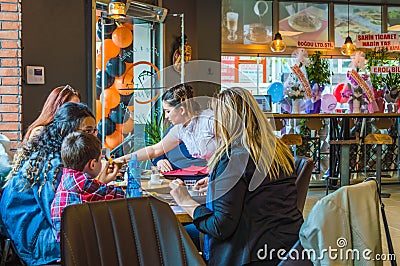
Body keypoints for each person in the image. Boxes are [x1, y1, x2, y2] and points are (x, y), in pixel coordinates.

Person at [169, 87, 303, 265]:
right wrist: (216, 181)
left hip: (247, 254)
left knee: (169, 237)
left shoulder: (233, 158)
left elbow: (219, 227)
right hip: (288, 249)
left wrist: (184, 199)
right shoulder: (278, 151)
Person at [0, 102, 101, 265]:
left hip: (28, 232)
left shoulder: (53, 155)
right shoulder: (52, 166)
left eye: (93, 130)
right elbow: (63, 218)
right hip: (34, 241)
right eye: (87, 131)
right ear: (66, 132)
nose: (93, 136)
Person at [115, 83, 216, 164]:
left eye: (168, 111)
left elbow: (229, 149)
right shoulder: (180, 129)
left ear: (181, 110)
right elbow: (154, 150)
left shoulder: (209, 120)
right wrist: (123, 160)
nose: (166, 116)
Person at [51, 132, 125, 241]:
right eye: (100, 159)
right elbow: (120, 196)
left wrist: (101, 183)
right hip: (91, 250)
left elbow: (93, 196)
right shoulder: (86, 184)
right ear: (92, 164)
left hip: (67, 252)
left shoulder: (66, 179)